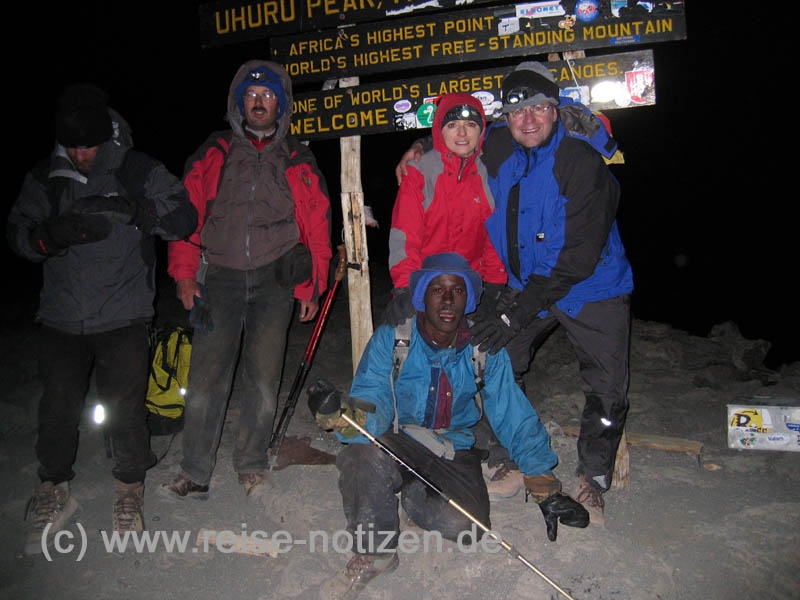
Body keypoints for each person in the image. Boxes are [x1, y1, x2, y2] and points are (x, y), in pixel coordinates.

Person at [396, 61, 633, 525]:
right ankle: (504, 454)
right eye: (516, 110)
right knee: (493, 359)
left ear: (555, 109)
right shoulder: (500, 146)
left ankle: (593, 477)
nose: (527, 119)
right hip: (528, 284)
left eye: (538, 108)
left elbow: (576, 258)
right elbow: (457, 139)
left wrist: (515, 312)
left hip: (592, 285)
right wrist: (419, 147)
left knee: (607, 386)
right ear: (505, 117)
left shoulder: (581, 163)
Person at [308, 252, 588, 600]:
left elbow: (512, 413)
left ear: (468, 299)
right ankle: (376, 553)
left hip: (452, 448)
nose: (447, 299)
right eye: (437, 289)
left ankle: (411, 495)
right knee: (362, 452)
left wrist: (543, 482)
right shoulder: (392, 340)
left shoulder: (483, 349)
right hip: (400, 438)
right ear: (422, 297)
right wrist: (343, 415)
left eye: (457, 291)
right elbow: (372, 404)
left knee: (468, 527)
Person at [7, 83, 198, 553]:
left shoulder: (135, 168)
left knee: (126, 408)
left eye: (88, 145)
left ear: (105, 137)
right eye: (73, 146)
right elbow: (18, 234)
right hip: (61, 318)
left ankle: (130, 489)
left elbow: (185, 217)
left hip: (124, 314)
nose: (81, 153)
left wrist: (137, 211)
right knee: (56, 408)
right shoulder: (46, 176)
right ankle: (54, 489)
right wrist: (50, 237)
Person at [160, 60, 332, 500]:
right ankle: (195, 471)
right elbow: (186, 216)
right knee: (205, 377)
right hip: (217, 277)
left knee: (262, 377)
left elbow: (317, 226)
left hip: (276, 280)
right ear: (240, 103)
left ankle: (251, 463)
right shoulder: (214, 150)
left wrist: (311, 283)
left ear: (281, 104)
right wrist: (183, 272)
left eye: (268, 96)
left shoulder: (297, 156)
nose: (259, 102)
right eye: (252, 96)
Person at [384, 91, 524, 500]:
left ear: (481, 130)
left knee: (485, 363)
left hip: (472, 288)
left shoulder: (488, 171)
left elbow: (494, 238)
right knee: (411, 358)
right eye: (451, 124)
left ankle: (499, 452)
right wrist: (404, 287)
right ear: (439, 130)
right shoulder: (420, 171)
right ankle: (404, 442)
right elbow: (403, 234)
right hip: (427, 289)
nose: (461, 132)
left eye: (470, 124)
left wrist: (496, 288)